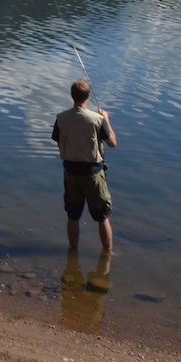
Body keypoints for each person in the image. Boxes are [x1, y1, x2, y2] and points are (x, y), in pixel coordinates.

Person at [51, 79, 117, 252]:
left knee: (73, 216)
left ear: (72, 96)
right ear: (88, 96)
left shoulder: (61, 118)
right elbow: (112, 143)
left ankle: (73, 251)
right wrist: (106, 119)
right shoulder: (97, 119)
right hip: (93, 173)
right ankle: (108, 255)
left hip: (70, 172)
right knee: (103, 216)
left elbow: (59, 142)